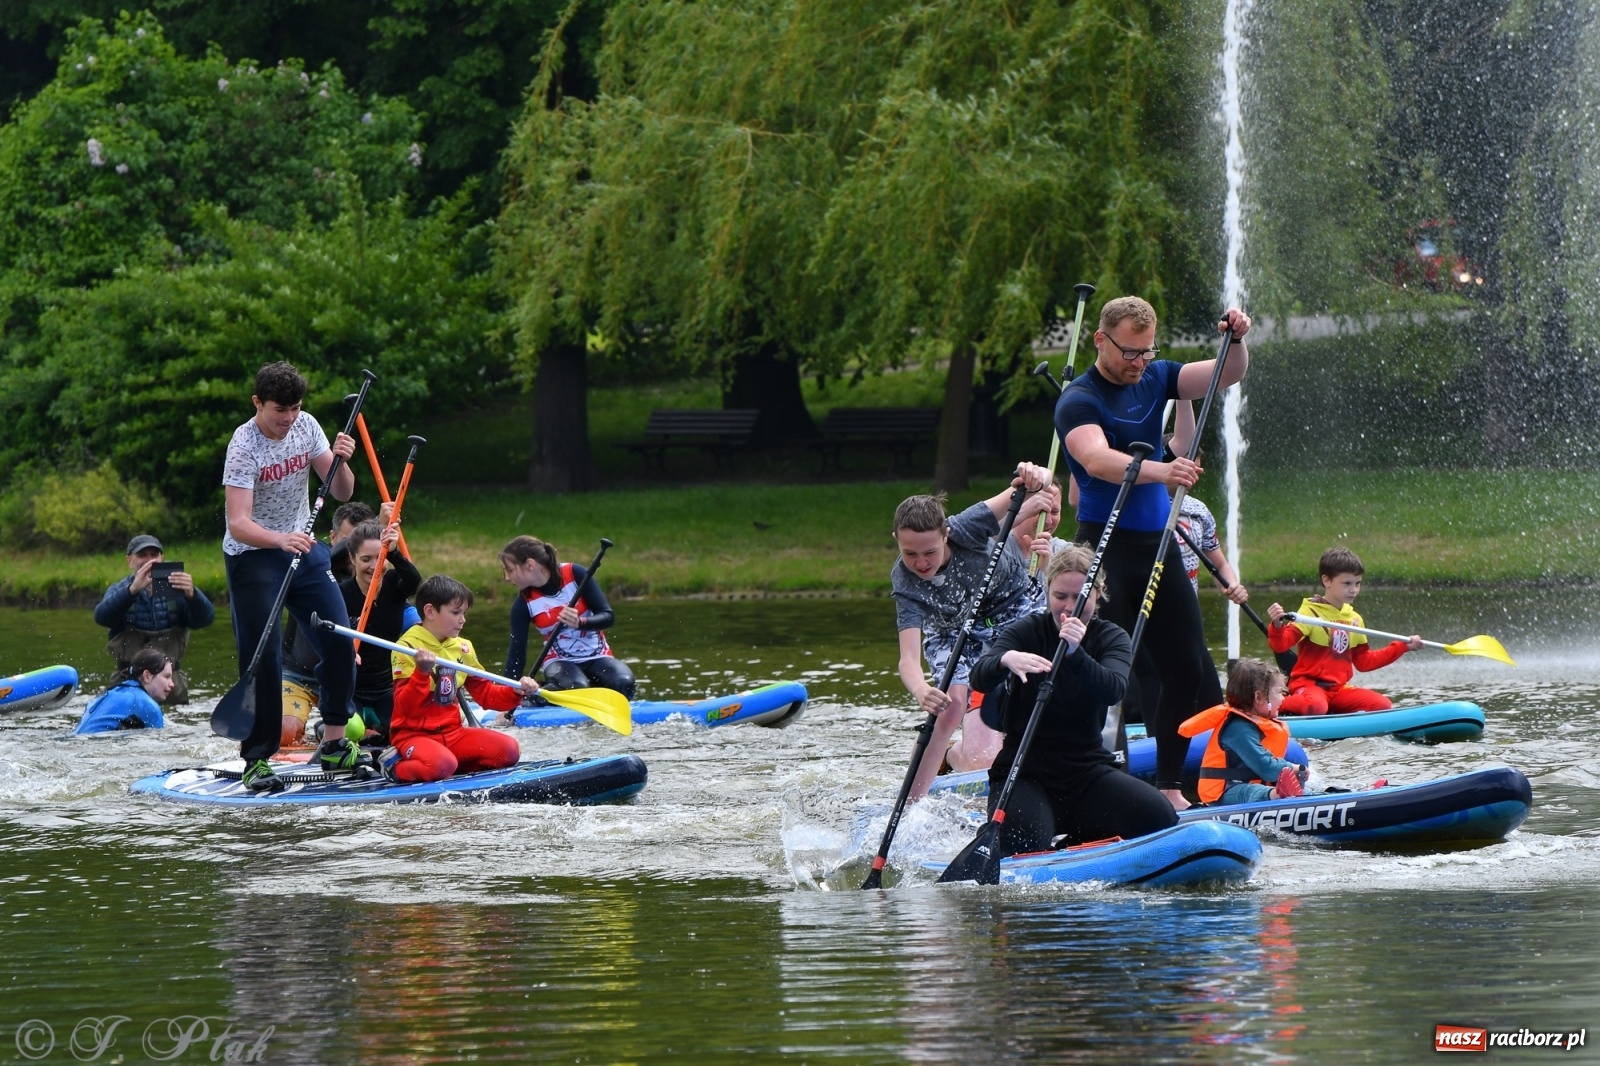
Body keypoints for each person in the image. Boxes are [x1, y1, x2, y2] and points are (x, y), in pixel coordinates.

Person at [1057, 296, 1252, 810]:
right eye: (1129, 352)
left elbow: (1225, 374)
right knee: (1103, 672)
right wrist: (1163, 471)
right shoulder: (1078, 399)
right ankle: (1095, 781)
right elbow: (1096, 460)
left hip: (1157, 548)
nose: (1139, 362)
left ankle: (1168, 784)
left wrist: (1237, 338)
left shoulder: (1158, 375)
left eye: (1147, 352)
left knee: (1187, 668)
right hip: (1105, 546)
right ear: (1101, 340)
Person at [968, 545, 1177, 856]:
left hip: (1087, 772)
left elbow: (1113, 690)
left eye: (1080, 598)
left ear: (1097, 594)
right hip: (1024, 773)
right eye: (1060, 596)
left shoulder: (1111, 638)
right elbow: (979, 677)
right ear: (1047, 592)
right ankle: (1026, 836)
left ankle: (1075, 844)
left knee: (1161, 817)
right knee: (1024, 844)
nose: (1069, 608)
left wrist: (1075, 653)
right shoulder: (1027, 631)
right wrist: (1004, 660)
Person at [222, 361, 363, 793]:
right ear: (258, 403)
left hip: (302, 551)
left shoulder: (307, 427)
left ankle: (335, 744)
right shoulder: (243, 446)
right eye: (279, 410)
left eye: (295, 408)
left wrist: (341, 461)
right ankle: (256, 758)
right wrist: (280, 539)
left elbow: (343, 492)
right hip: (253, 556)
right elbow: (238, 523)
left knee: (339, 640)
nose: (288, 419)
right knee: (263, 658)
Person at [892, 461, 1052, 799]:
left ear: (946, 533)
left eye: (930, 552)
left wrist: (1036, 476)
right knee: (950, 704)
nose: (921, 563)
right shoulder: (903, 579)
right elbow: (907, 658)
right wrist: (922, 690)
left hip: (1014, 608)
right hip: (952, 631)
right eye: (910, 554)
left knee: (1040, 675)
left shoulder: (966, 525)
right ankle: (912, 803)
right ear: (896, 541)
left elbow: (1038, 484)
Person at [388, 575, 531, 783]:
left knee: (508, 751)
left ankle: (449, 764)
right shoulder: (405, 648)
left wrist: (517, 690)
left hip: (453, 734)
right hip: (413, 737)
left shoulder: (463, 647)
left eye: (463, 613)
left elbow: (486, 696)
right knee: (441, 764)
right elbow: (405, 708)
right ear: (430, 611)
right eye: (455, 613)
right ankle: (394, 767)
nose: (462, 619)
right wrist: (422, 672)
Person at [1266, 547, 1422, 715]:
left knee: (1382, 704)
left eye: (1358, 583)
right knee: (1316, 706)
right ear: (1327, 581)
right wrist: (1277, 624)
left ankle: (1326, 710)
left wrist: (1402, 647)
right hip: (1308, 685)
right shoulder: (1310, 613)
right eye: (1347, 583)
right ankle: (1273, 705)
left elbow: (1364, 662)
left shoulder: (1354, 619)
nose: (1353, 589)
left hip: (1337, 690)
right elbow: (1280, 645)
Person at [502, 536, 636, 698]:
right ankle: (535, 694)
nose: (507, 578)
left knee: (623, 683)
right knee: (576, 687)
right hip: (559, 662)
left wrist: (580, 623)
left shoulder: (576, 574)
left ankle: (570, 691)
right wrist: (505, 696)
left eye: (510, 570)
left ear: (530, 565)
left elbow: (608, 617)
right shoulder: (523, 604)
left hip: (598, 656)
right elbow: (516, 654)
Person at [93, 534, 215, 705]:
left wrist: (193, 595)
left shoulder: (178, 591)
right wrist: (131, 591)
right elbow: (101, 617)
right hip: (127, 681)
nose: (150, 560)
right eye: (142, 555)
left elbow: (205, 620)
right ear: (129, 561)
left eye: (154, 555)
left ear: (162, 558)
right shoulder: (120, 590)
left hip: (171, 684)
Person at [1180, 658, 1306, 804]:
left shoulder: (1255, 724)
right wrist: (1293, 767)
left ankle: (1321, 795)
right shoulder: (1239, 729)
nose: (1283, 699)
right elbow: (1267, 768)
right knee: (1250, 791)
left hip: (1254, 786)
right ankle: (1277, 795)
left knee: (1264, 790)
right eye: (1279, 693)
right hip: (1224, 794)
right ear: (1258, 697)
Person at [341, 518, 421, 739]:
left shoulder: (395, 583)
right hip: (351, 689)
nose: (374, 566)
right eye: (366, 559)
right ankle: (355, 731)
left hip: (386, 687)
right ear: (352, 558)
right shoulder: (340, 594)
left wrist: (394, 553)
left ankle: (378, 731)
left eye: (381, 558)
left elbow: (416, 584)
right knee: (351, 731)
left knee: (408, 729)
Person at [75, 648, 173, 734]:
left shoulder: (112, 692)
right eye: (167, 676)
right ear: (147, 676)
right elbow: (159, 741)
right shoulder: (146, 704)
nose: (172, 684)